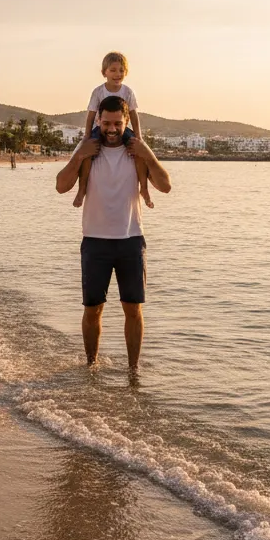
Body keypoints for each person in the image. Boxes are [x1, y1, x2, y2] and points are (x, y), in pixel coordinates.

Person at [55, 95, 171, 373]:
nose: (111, 128)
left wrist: (147, 152)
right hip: (94, 241)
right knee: (93, 309)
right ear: (98, 120)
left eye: (117, 123)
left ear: (126, 121)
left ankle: (133, 370)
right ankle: (91, 366)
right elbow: (61, 186)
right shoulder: (88, 149)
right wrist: (81, 153)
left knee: (133, 310)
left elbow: (165, 186)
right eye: (105, 122)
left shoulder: (137, 151)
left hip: (131, 240)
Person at [73, 52, 152, 209]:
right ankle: (82, 190)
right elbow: (90, 115)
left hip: (122, 129)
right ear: (104, 72)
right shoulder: (98, 92)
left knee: (139, 153)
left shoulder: (128, 92)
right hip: (100, 128)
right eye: (113, 70)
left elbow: (133, 115)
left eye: (121, 70)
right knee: (88, 154)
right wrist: (87, 136)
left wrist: (139, 137)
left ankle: (144, 188)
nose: (118, 74)